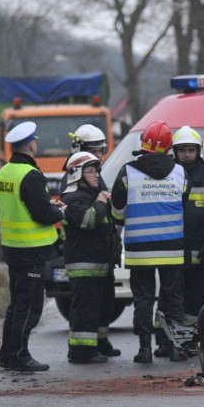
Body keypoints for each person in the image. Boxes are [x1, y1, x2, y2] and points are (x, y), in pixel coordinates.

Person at [110, 120, 186, 364]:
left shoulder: (127, 173)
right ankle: (175, 347)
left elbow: (117, 212)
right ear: (168, 147)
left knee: (142, 299)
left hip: (140, 249)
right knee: (172, 298)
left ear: (143, 144)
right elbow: (183, 205)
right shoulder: (180, 172)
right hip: (172, 248)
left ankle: (144, 350)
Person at [0, 122, 64, 372]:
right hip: (31, 250)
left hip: (13, 248)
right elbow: (43, 213)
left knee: (17, 304)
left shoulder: (4, 172)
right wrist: (59, 212)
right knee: (30, 306)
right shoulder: (30, 175)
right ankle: (19, 355)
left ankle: (7, 354)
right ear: (32, 145)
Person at [60, 152, 120, 364]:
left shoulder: (92, 196)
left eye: (97, 171)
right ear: (77, 174)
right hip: (84, 264)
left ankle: (99, 343)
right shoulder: (72, 198)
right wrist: (101, 202)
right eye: (91, 171)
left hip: (101, 263)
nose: (96, 175)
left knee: (103, 306)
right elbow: (88, 220)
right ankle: (81, 351)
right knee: (86, 308)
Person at [171, 125, 204, 331]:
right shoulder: (168, 174)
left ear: (198, 150)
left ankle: (194, 338)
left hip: (200, 248)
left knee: (196, 298)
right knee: (171, 296)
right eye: (183, 150)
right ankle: (168, 339)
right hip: (174, 249)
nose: (187, 154)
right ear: (175, 151)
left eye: (191, 150)